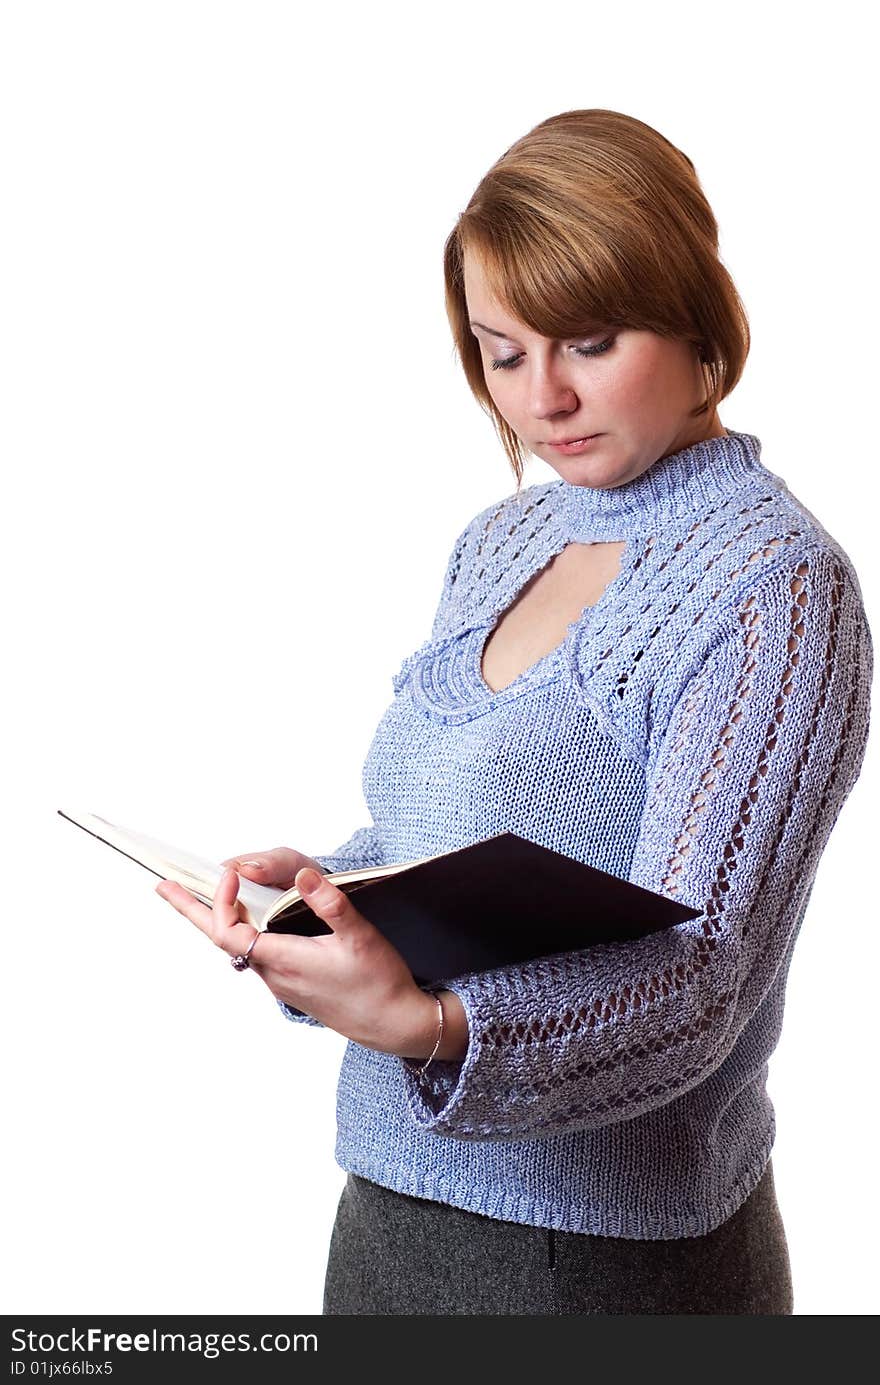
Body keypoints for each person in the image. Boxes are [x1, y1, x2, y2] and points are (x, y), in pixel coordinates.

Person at [155, 108, 873, 1315]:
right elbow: (457, 846)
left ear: (697, 316)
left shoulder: (772, 584)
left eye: (588, 341)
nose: (541, 397)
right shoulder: (503, 541)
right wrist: (322, 893)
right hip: (388, 1203)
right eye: (501, 351)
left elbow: (702, 980)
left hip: (601, 1256)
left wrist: (435, 1026)